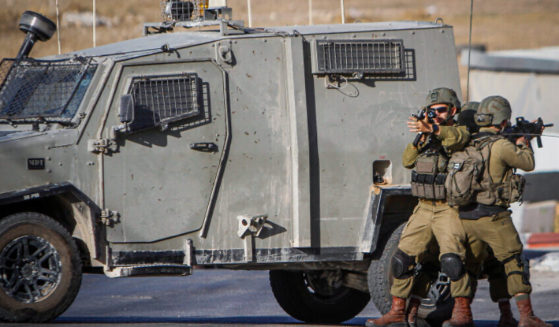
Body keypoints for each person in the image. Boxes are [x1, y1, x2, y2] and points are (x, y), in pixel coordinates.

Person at [365, 88, 472, 327]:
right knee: (401, 259)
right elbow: (407, 160)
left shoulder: (460, 131)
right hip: (423, 207)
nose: (436, 114)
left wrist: (433, 129)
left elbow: (458, 138)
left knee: (453, 261)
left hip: (448, 208)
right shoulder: (428, 135)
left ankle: (462, 313)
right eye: (432, 110)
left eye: (441, 110)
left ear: (453, 111)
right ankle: (398, 311)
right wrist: (421, 137)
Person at [449, 96, 551, 327]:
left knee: (468, 266)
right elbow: (527, 164)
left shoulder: (470, 142)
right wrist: (524, 142)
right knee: (513, 263)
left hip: (467, 216)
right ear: (503, 121)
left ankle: (461, 315)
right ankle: (527, 317)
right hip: (494, 216)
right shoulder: (502, 145)